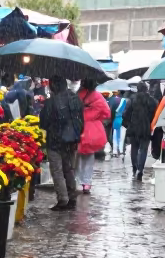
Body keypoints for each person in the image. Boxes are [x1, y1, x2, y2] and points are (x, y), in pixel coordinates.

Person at [39, 75, 84, 210]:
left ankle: (63, 199)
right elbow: (81, 119)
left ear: (53, 86)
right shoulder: (76, 98)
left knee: (57, 170)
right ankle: (72, 197)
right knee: (69, 169)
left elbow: (44, 123)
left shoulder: (51, 102)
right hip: (72, 140)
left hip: (55, 140)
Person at [75, 78, 111, 194]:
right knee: (89, 157)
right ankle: (87, 183)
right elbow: (107, 112)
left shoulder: (77, 95)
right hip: (93, 129)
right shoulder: (98, 96)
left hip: (79, 128)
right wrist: (96, 116)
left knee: (78, 156)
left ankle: (78, 181)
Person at [123, 83, 158, 180]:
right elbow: (155, 115)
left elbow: (126, 114)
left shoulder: (132, 99)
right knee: (143, 149)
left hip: (133, 127)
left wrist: (128, 125)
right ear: (146, 89)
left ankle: (135, 169)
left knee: (134, 148)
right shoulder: (152, 101)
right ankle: (140, 169)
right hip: (146, 128)